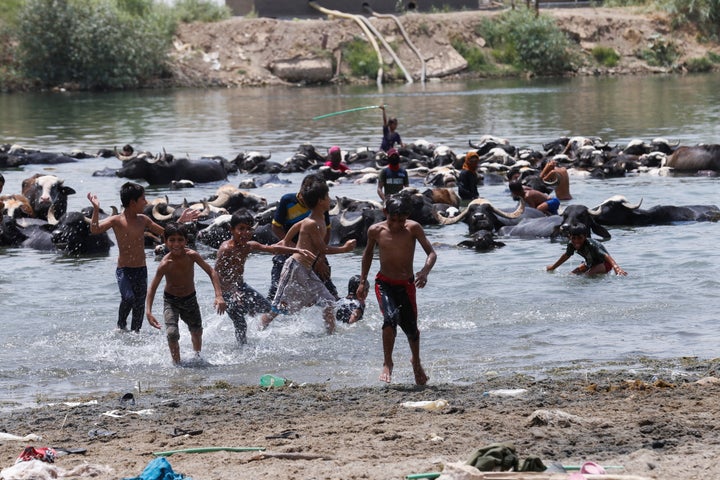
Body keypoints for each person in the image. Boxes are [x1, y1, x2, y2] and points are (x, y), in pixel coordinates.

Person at [87, 182, 199, 332]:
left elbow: (165, 233)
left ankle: (136, 336)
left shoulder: (143, 219)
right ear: (133, 202)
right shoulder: (116, 220)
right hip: (124, 270)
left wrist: (180, 222)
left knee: (139, 306)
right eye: (143, 199)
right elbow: (95, 229)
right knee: (128, 298)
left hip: (141, 269)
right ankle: (121, 326)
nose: (146, 202)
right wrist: (95, 209)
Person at [357, 194, 437, 385]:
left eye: (401, 220)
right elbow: (367, 254)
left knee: (411, 330)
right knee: (390, 319)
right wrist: (362, 281)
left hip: (406, 285)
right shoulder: (376, 230)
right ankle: (387, 362)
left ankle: (416, 362)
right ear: (386, 213)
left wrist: (425, 271)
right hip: (384, 283)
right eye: (393, 219)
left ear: (407, 216)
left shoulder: (413, 228)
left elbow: (432, 253)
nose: (397, 224)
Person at [261, 179, 356, 334]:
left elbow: (298, 225)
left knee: (329, 302)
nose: (330, 199)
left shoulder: (316, 219)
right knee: (278, 307)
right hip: (294, 268)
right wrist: (344, 249)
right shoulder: (312, 223)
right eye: (327, 196)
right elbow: (323, 248)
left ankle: (330, 335)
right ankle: (259, 330)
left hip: (306, 269)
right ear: (320, 201)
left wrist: (286, 240)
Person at [215, 209, 315, 344]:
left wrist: (296, 250)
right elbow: (215, 273)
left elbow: (272, 249)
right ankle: (242, 351)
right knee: (241, 324)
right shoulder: (226, 249)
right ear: (231, 230)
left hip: (241, 287)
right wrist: (220, 296)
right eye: (241, 229)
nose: (245, 233)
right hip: (226, 291)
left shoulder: (249, 246)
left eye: (248, 229)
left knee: (267, 308)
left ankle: (248, 312)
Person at [146, 222, 226, 365]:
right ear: (165, 241)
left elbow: (212, 272)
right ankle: (177, 364)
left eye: (180, 240)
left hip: (190, 299)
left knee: (196, 331)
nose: (176, 244)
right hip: (171, 301)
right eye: (172, 240)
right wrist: (148, 312)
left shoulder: (192, 255)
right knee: (172, 334)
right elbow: (152, 287)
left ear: (186, 240)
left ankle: (198, 357)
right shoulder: (165, 263)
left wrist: (219, 295)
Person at [268, 173, 338, 301]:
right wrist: (295, 249)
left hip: (314, 253)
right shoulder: (287, 201)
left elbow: (326, 233)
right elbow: (276, 227)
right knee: (275, 294)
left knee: (330, 292)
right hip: (290, 250)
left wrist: (321, 258)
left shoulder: (321, 207)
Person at [546, 223, 627, 276]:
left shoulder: (591, 244)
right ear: (569, 236)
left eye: (580, 238)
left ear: (585, 236)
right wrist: (553, 267)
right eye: (573, 238)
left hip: (604, 264)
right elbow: (566, 256)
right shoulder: (572, 244)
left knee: (588, 275)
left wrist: (617, 268)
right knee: (571, 275)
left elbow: (606, 256)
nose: (576, 241)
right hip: (589, 263)